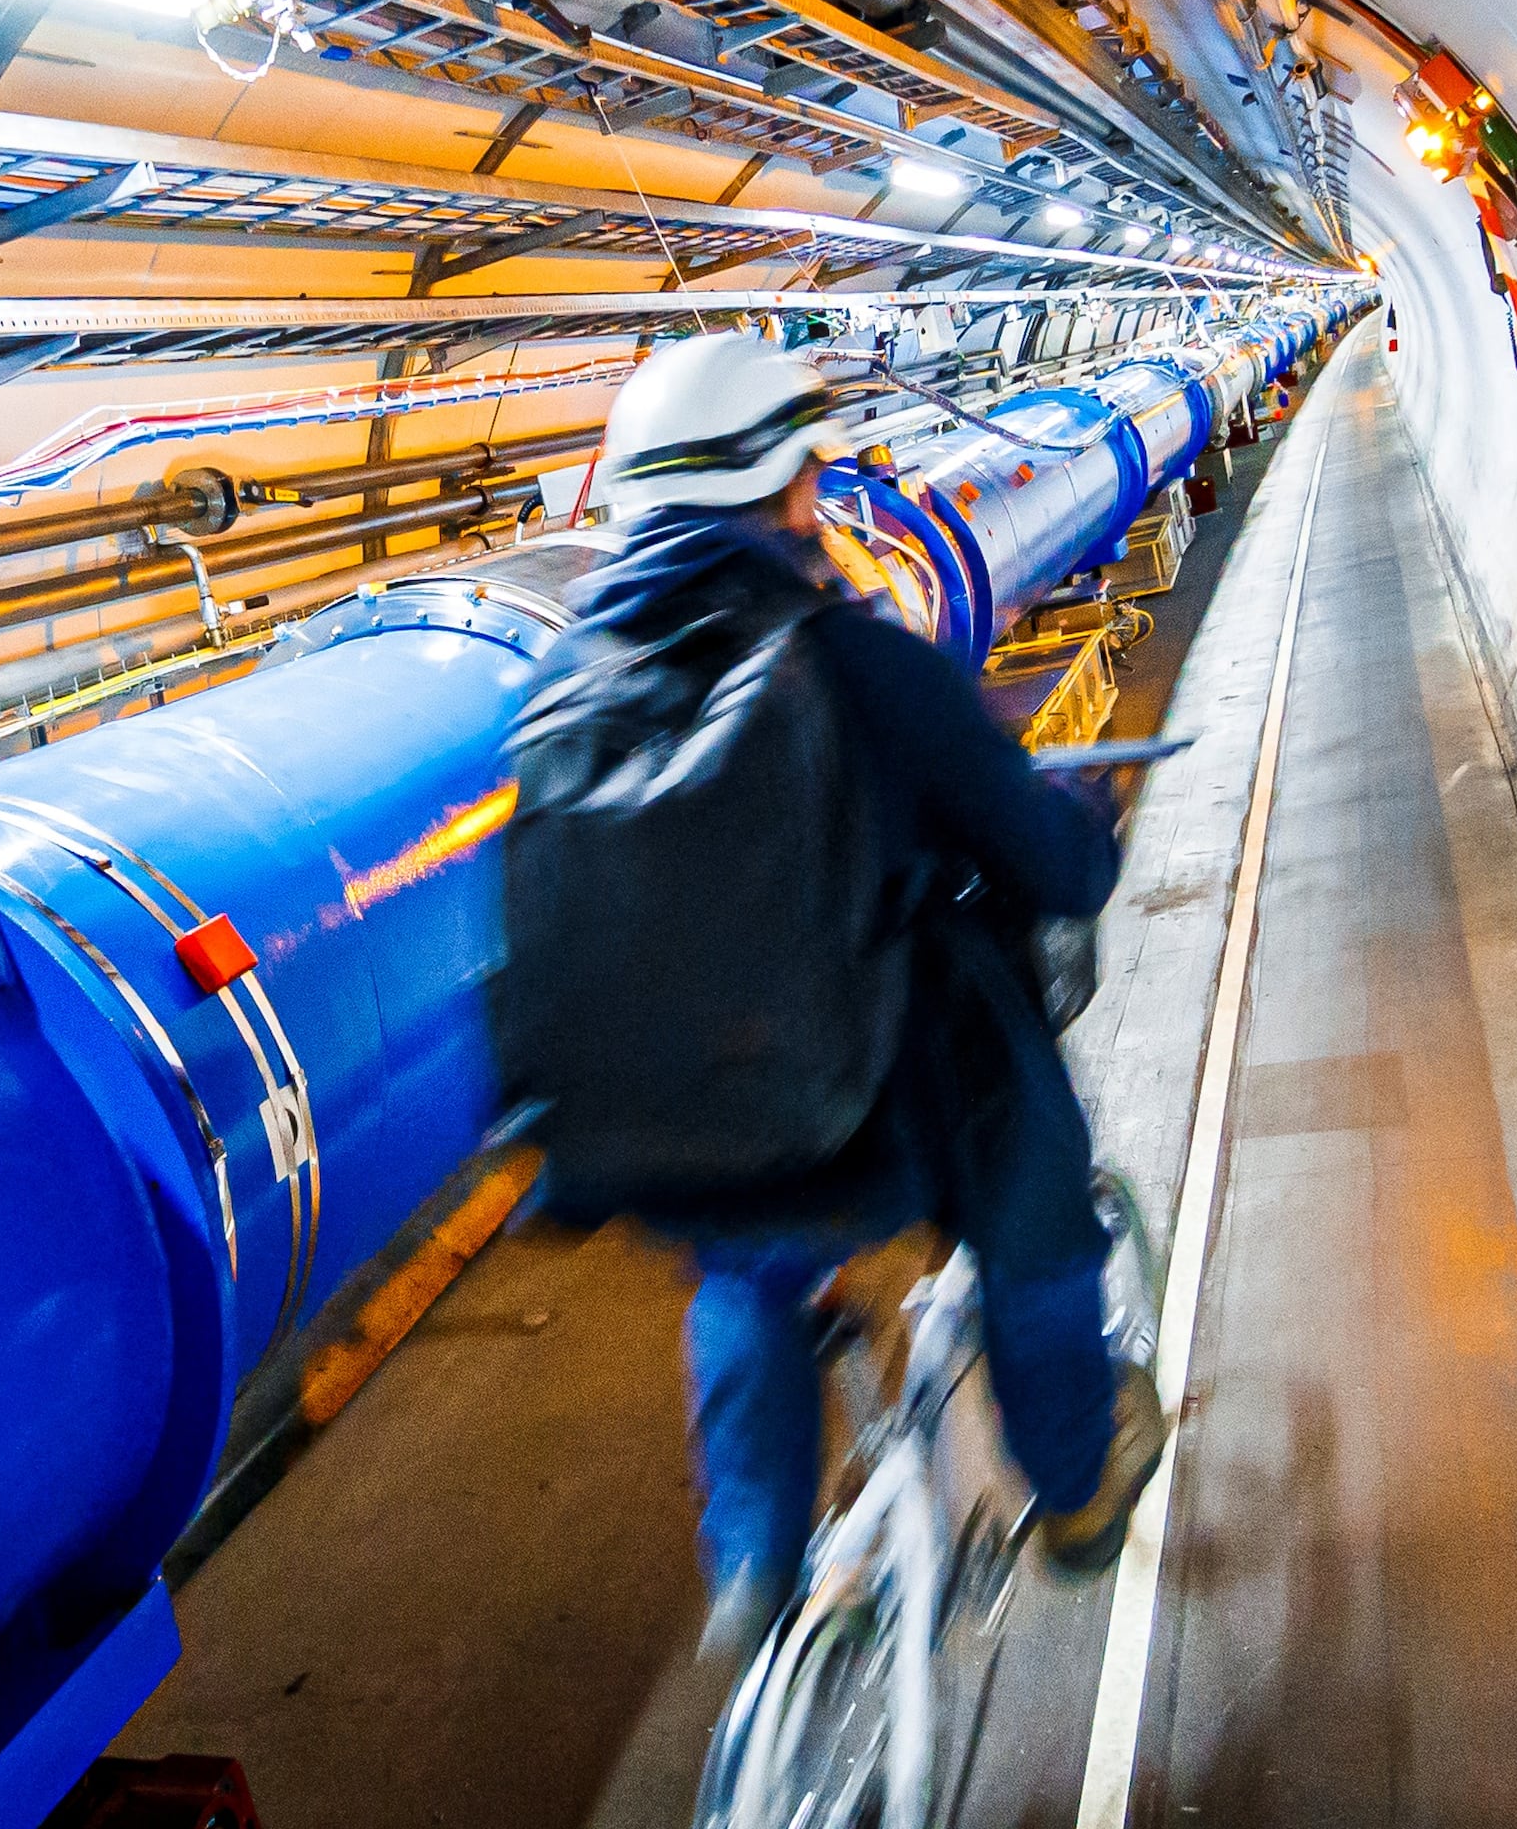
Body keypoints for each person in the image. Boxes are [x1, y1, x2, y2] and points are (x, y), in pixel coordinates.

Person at [499, 334, 1171, 1667]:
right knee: (1039, 1227)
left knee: (744, 1269)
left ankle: (757, 1563)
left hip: (667, 1128)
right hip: (886, 1105)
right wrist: (1084, 808)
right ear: (791, 493)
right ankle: (1077, 1488)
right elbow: (1050, 863)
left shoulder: (560, 694)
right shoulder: (860, 663)